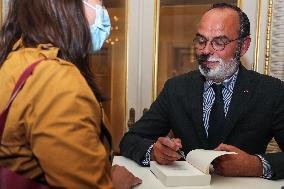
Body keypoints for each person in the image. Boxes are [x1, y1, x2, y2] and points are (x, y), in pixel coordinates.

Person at [120, 3, 284, 180]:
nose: (206, 50)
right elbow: (130, 140)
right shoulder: (176, 88)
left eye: (219, 42)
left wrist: (256, 165)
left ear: (244, 46)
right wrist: (154, 151)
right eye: (201, 41)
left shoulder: (271, 92)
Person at [0, 0, 141, 188]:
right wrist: (114, 184)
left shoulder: (18, 57)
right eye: (98, 1)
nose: (103, 10)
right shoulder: (56, 79)